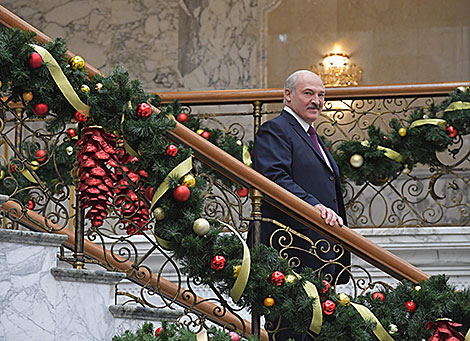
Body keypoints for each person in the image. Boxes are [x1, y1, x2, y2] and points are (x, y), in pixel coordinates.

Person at [249, 70, 350, 339]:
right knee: (291, 330)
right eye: (308, 93)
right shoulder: (275, 130)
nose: (316, 100)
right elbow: (275, 178)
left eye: (321, 95)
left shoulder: (312, 137)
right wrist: (315, 206)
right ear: (288, 96)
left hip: (319, 249)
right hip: (290, 250)